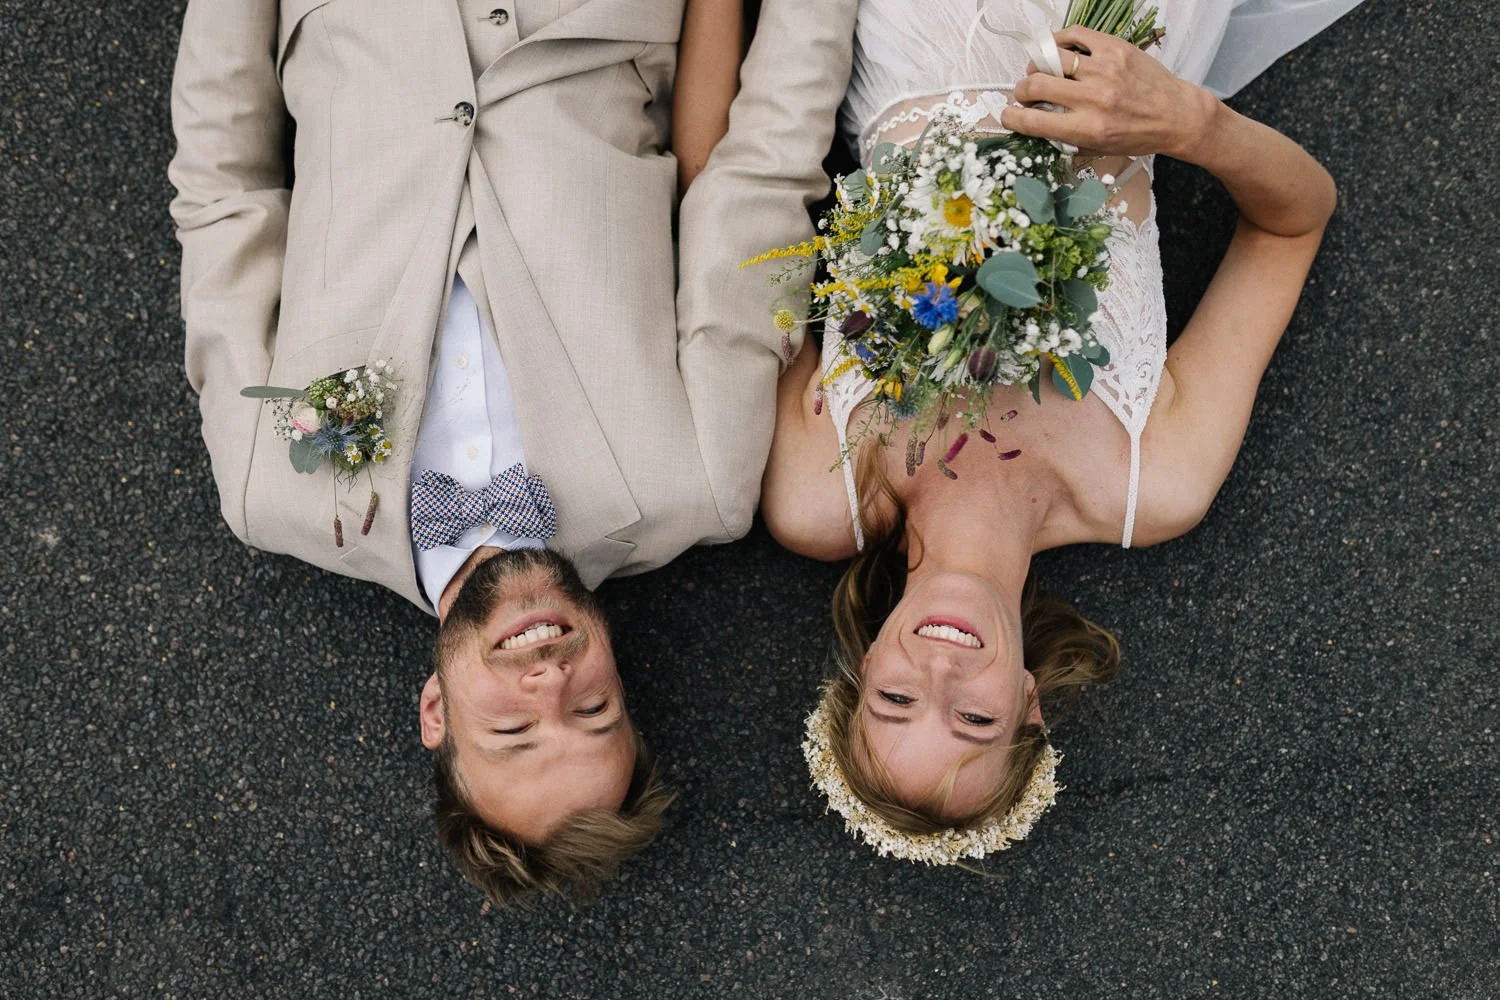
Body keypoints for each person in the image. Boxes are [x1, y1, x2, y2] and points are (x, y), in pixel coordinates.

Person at [168, 0, 857, 901]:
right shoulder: (694, 486)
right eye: (593, 711)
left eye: (515, 734)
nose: (551, 681)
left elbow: (225, 195)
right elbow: (762, 176)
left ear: (435, 712)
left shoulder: (275, 495)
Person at [761, 0, 1357, 864]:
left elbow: (751, 231)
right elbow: (1295, 219)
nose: (942, 673)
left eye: (896, 700)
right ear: (1028, 704)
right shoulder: (1155, 483)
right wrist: (1186, 120)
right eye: (973, 718)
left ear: (863, 670)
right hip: (1116, 41)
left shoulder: (818, 493)